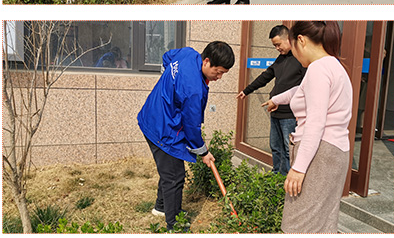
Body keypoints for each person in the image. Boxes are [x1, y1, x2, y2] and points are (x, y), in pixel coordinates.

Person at [265, 21, 353, 233]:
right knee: (322, 223)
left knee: (299, 224)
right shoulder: (334, 66)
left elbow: (315, 122)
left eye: (293, 46)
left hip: (319, 153)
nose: (294, 54)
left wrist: (298, 168)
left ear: (301, 40)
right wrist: (278, 99)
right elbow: (300, 91)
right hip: (334, 151)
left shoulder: (317, 69)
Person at [137, 41, 235, 230]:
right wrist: (204, 153)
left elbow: (167, 57)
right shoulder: (193, 90)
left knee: (169, 168)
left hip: (153, 115)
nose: (220, 77)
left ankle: (161, 207)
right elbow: (191, 127)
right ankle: (175, 225)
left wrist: (170, 83)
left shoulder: (189, 54)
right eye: (218, 72)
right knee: (175, 175)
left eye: (223, 73)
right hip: (161, 128)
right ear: (206, 61)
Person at [236, 25, 305, 175]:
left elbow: (304, 88)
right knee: (276, 147)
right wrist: (247, 90)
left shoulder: (301, 59)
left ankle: (288, 180)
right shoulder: (280, 59)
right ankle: (276, 178)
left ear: (289, 39)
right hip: (275, 111)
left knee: (289, 150)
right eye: (274, 46)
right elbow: (266, 76)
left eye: (278, 44)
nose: (277, 48)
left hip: (290, 115)